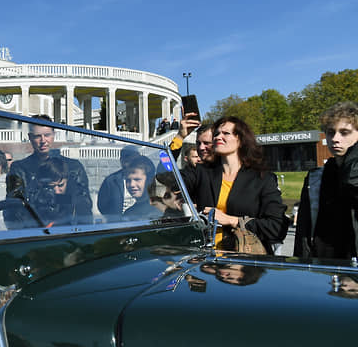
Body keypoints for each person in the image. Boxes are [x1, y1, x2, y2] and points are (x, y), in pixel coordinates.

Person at [180, 116, 286, 252]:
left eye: (226, 133)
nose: (218, 137)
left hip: (244, 264)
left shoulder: (262, 179)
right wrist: (179, 137)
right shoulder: (201, 173)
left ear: (241, 140)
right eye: (216, 133)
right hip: (207, 264)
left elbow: (276, 228)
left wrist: (232, 220)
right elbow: (166, 178)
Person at [294, 102, 358, 259]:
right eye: (330, 132)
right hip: (322, 266)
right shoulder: (315, 177)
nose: (335, 139)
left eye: (344, 132)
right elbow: (303, 231)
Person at [7, 115, 92, 219]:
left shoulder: (74, 167)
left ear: (54, 135)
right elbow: (14, 208)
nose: (43, 140)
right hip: (33, 229)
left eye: (47, 135)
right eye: (37, 136)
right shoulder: (19, 168)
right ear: (30, 137)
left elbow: (84, 204)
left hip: (68, 228)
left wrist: (51, 199)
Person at [34, 158, 94, 225]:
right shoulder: (36, 198)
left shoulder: (79, 201)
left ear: (67, 181)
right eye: (51, 187)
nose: (57, 191)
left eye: (60, 185)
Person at [97, 145, 139, 218]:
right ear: (122, 161)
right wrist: (114, 218)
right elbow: (102, 206)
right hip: (116, 225)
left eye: (135, 160)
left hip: (141, 222)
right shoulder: (110, 180)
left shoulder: (147, 179)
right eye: (127, 160)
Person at [122, 155, 161, 220]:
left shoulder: (159, 210)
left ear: (150, 180)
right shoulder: (128, 213)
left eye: (137, 179)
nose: (132, 184)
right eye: (128, 180)